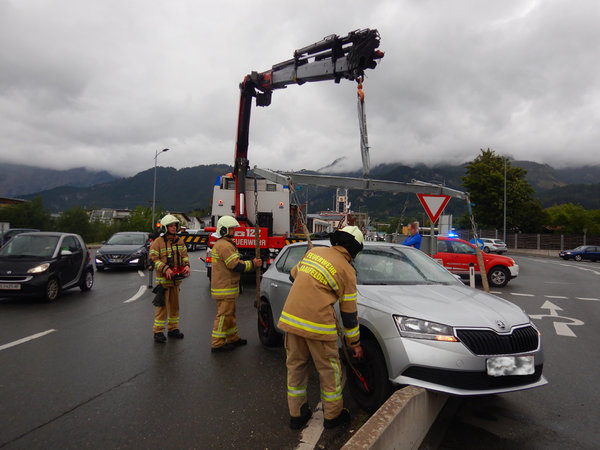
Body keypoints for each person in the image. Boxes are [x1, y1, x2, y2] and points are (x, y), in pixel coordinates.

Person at [278, 226, 364, 430]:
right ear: (354, 249)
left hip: (292, 321)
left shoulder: (314, 252)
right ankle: (333, 416)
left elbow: (293, 277)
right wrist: (354, 344)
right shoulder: (348, 271)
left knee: (296, 368)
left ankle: (297, 415)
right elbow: (349, 314)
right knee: (329, 370)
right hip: (318, 326)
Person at [210, 216, 262, 352]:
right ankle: (217, 343)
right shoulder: (225, 245)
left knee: (230, 314)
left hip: (227, 287)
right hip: (225, 288)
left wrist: (247, 260)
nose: (234, 231)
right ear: (224, 230)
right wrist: (253, 264)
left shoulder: (224, 244)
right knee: (223, 316)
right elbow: (235, 265)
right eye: (232, 229)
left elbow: (235, 260)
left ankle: (232, 337)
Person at [149, 214, 190, 343]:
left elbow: (184, 256)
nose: (173, 228)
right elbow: (153, 260)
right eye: (170, 226)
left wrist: (187, 266)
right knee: (162, 308)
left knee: (174, 307)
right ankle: (158, 332)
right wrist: (165, 268)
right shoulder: (157, 242)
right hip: (164, 282)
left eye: (175, 225)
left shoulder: (180, 241)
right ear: (165, 228)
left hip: (176, 281)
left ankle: (173, 329)